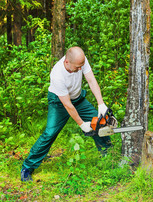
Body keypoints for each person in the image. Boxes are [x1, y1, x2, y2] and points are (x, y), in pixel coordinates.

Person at [21, 46, 111, 181]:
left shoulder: (80, 60)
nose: (80, 69)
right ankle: (27, 167)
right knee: (50, 133)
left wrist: (101, 104)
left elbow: (91, 80)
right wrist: (81, 124)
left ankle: (108, 156)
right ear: (67, 62)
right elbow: (68, 105)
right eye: (77, 67)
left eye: (82, 66)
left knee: (99, 122)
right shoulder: (57, 75)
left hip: (78, 98)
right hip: (59, 102)